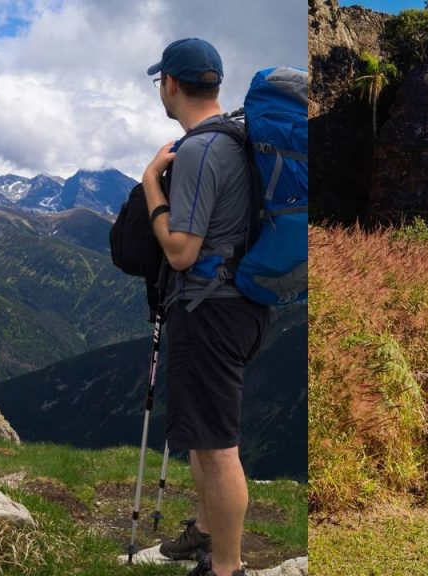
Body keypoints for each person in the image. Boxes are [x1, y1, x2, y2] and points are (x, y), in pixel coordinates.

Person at [141, 38, 269, 576]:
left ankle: (226, 567)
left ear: (171, 83)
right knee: (202, 435)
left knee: (217, 448)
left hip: (210, 309)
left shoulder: (197, 150)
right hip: (245, 303)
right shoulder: (240, 137)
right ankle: (209, 532)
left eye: (160, 82)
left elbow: (180, 250)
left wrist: (152, 184)